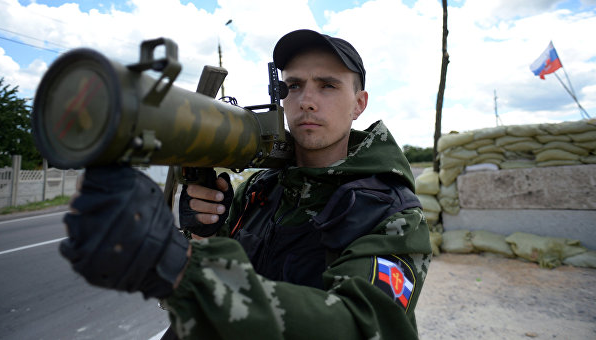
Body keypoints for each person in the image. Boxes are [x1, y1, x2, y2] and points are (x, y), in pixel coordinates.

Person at [61, 29, 432, 339]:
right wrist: (200, 234)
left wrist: (177, 266)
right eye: (294, 86)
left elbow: (361, 326)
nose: (306, 101)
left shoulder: (393, 213)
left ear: (359, 104)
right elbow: (211, 297)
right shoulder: (260, 191)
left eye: (328, 86)